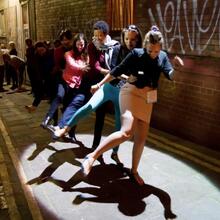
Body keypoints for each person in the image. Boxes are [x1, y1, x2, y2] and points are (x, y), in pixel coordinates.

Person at [80, 25, 184, 185]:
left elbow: (170, 75)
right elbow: (116, 70)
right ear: (145, 46)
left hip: (148, 98)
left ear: (160, 48)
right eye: (150, 51)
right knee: (127, 131)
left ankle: (134, 171)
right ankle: (92, 156)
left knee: (141, 137)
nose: (153, 54)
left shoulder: (163, 57)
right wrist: (99, 84)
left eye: (156, 51)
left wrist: (176, 68)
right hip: (131, 92)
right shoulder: (136, 54)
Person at [52, 25, 143, 166]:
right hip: (108, 87)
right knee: (89, 106)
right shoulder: (117, 49)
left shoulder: (139, 53)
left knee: (119, 126)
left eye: (133, 39)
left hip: (123, 93)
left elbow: (140, 74)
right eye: (126, 38)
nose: (129, 42)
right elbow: (113, 70)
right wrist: (125, 77)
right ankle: (65, 128)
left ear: (138, 40)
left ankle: (114, 153)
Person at [41, 33, 90, 140]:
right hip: (64, 81)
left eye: (82, 44)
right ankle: (47, 119)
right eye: (78, 44)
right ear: (74, 43)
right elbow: (72, 64)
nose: (80, 47)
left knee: (72, 109)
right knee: (58, 97)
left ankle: (70, 133)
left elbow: (88, 65)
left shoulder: (85, 55)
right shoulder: (68, 53)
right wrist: (81, 67)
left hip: (76, 86)